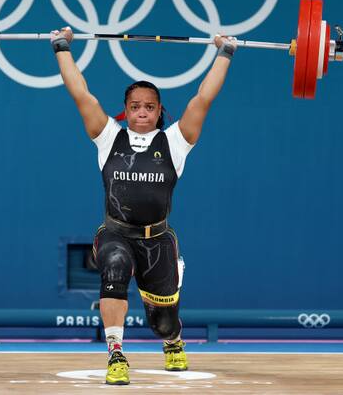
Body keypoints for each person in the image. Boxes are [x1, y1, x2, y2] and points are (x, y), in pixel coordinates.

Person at [51, 27, 236, 385]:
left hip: (157, 242)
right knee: (114, 268)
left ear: (159, 111)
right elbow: (80, 93)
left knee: (162, 323)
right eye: (135, 106)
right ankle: (116, 354)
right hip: (115, 234)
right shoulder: (108, 136)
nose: (142, 112)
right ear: (125, 111)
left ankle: (173, 340)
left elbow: (203, 98)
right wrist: (61, 47)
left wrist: (225, 52)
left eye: (149, 107)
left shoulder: (176, 142)